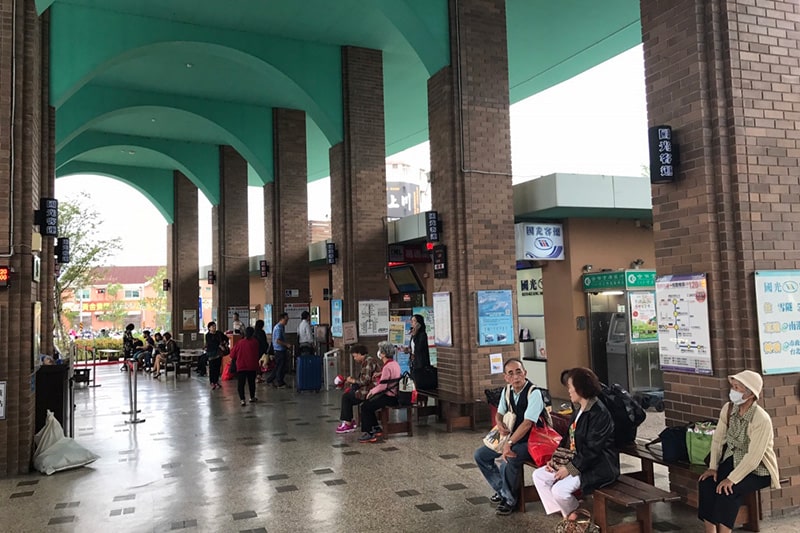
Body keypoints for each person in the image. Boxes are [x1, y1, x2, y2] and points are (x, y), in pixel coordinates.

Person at [698, 370, 780, 533]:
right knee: (707, 483)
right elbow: (718, 440)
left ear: (750, 394)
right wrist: (713, 466)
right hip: (733, 460)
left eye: (737, 388)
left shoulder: (761, 419)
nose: (732, 391)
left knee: (728, 490)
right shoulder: (728, 409)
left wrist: (731, 479)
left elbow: (754, 458)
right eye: (733, 386)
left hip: (758, 470)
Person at [533, 367, 619, 518]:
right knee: (539, 476)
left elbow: (592, 450)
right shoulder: (579, 408)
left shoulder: (599, 413)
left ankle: (572, 516)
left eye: (570, 387)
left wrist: (570, 469)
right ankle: (570, 514)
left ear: (581, 388)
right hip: (577, 461)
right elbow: (568, 439)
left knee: (559, 490)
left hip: (597, 467)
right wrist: (556, 461)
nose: (569, 391)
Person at [474, 358, 546, 516]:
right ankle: (503, 490)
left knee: (509, 458)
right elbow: (500, 412)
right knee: (481, 455)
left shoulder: (534, 393)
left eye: (518, 372)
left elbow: (528, 423)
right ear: (506, 377)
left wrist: (510, 443)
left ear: (525, 373)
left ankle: (509, 500)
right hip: (512, 437)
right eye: (511, 373)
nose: (515, 376)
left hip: (532, 440)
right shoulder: (507, 390)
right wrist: (499, 423)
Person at [358, 341, 401, 443]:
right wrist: (380, 373)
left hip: (389, 397)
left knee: (365, 406)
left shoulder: (387, 367)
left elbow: (382, 386)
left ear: (383, 354)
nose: (379, 353)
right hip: (396, 395)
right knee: (369, 405)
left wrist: (371, 391)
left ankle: (369, 433)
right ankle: (376, 427)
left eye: (380, 351)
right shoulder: (395, 364)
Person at [335, 344, 381, 434]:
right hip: (370, 388)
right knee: (349, 394)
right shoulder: (367, 361)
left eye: (355, 356)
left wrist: (353, 380)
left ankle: (348, 423)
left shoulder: (368, 362)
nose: (354, 359)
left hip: (369, 390)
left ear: (360, 354)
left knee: (346, 397)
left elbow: (365, 380)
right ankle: (373, 425)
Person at [229, 326, 260, 406]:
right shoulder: (255, 342)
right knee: (251, 382)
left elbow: (232, 355)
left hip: (241, 366)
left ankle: (242, 400)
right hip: (252, 366)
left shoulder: (240, 343)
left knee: (241, 384)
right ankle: (252, 397)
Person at [267, 313, 290, 389]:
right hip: (279, 350)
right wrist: (286, 344)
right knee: (280, 367)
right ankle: (280, 382)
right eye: (286, 320)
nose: (287, 321)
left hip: (281, 349)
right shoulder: (278, 328)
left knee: (279, 366)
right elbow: (277, 340)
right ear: (281, 319)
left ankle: (271, 380)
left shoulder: (281, 327)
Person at [205, 321, 227, 390]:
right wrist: (219, 345)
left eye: (215, 326)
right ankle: (212, 382)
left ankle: (216, 381)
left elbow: (226, 338)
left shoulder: (219, 333)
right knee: (212, 368)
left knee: (217, 368)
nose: (214, 327)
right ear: (209, 328)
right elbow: (211, 343)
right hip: (211, 353)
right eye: (212, 326)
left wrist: (224, 343)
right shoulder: (208, 335)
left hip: (218, 354)